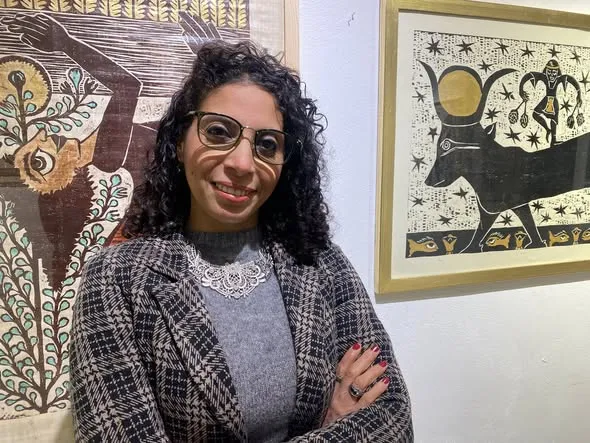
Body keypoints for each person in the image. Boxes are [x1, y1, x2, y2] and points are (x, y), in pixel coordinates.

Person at [69, 40, 413, 441]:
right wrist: (331, 427)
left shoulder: (320, 263)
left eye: (267, 144)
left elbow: (393, 422)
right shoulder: (117, 279)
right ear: (180, 142)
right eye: (218, 132)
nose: (243, 163)